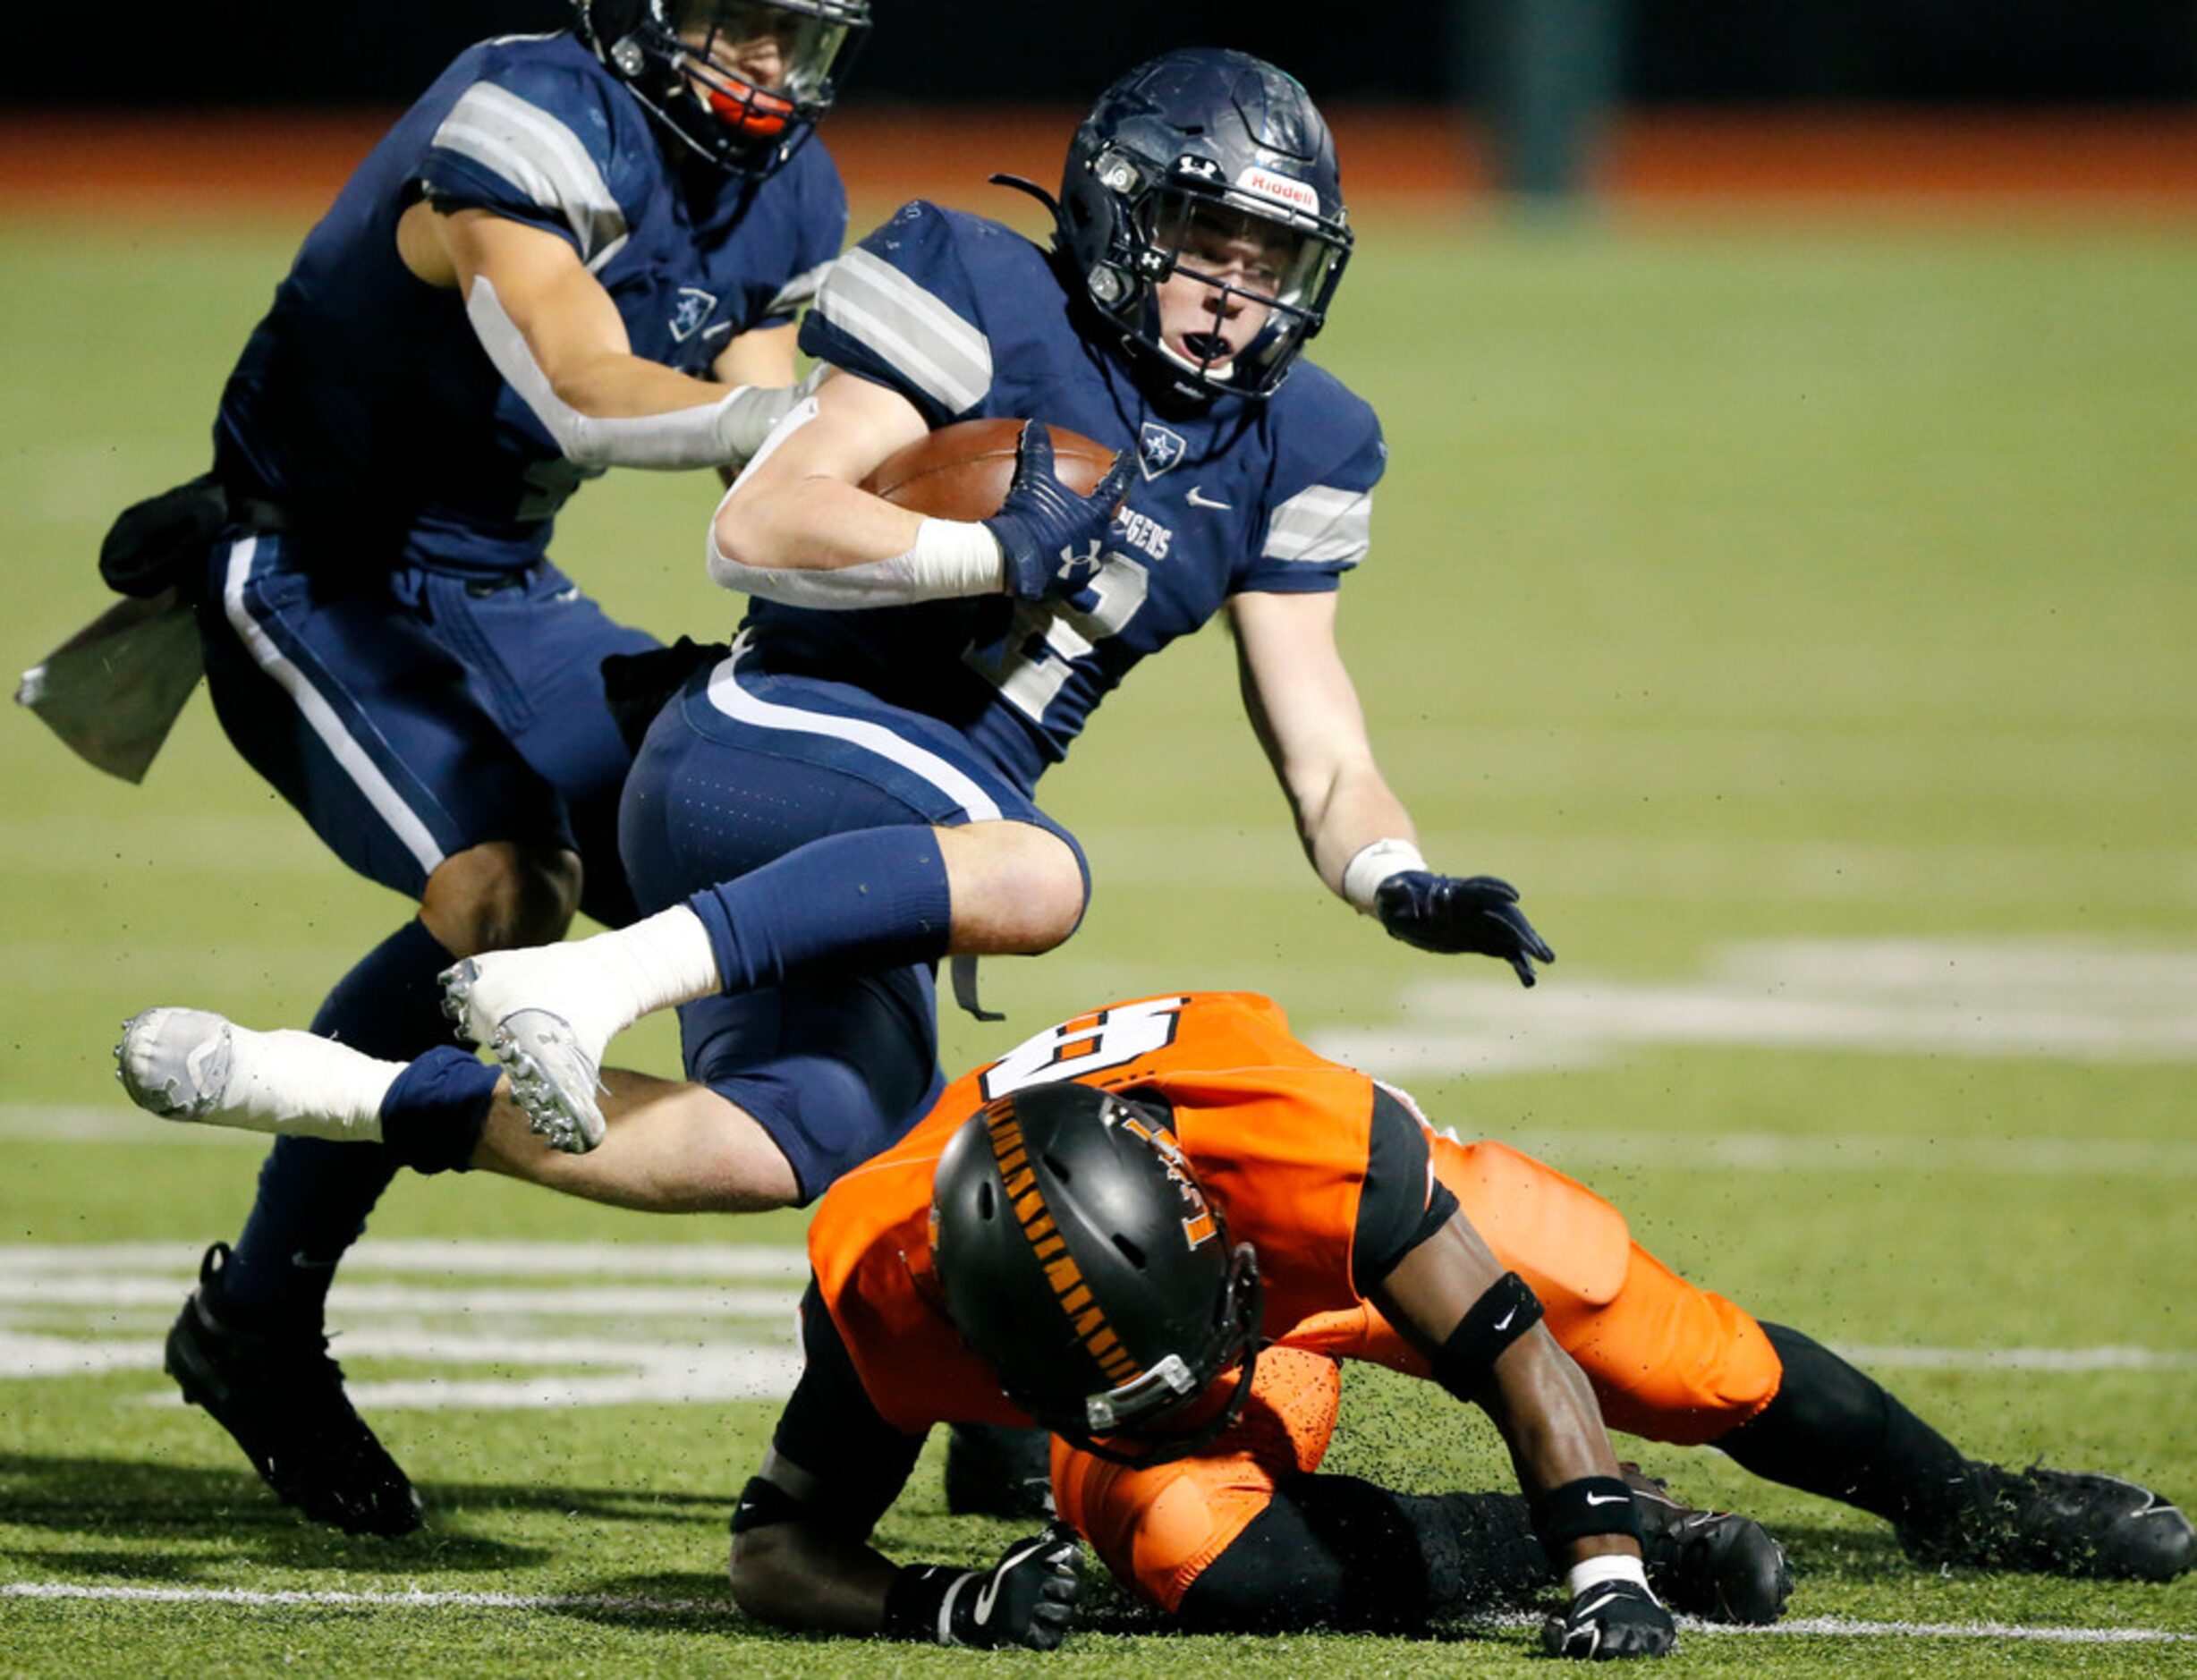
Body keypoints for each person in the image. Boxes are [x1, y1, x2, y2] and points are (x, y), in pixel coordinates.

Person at [115, 988, 2194, 1658]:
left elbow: (1499, 1348)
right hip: (1126, 1311)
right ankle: (1472, 1554)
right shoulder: (888, 1287)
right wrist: (936, 1603)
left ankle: (1967, 1497)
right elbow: (780, 1545)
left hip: (1328, 1249)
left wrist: (1610, 1542)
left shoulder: (1281, 1142)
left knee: (1665, 1355)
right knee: (1191, 1550)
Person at [116, 0, 869, 1539]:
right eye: (742, 23)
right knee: (507, 888)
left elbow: (761, 444)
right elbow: (586, 379)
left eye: (801, 34)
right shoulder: (530, 107)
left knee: (770, 837)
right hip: (314, 568)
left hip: (502, 583)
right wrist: (819, 428)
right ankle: (258, 1317)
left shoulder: (790, 185)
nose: (772, 69)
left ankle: (912, 1325)